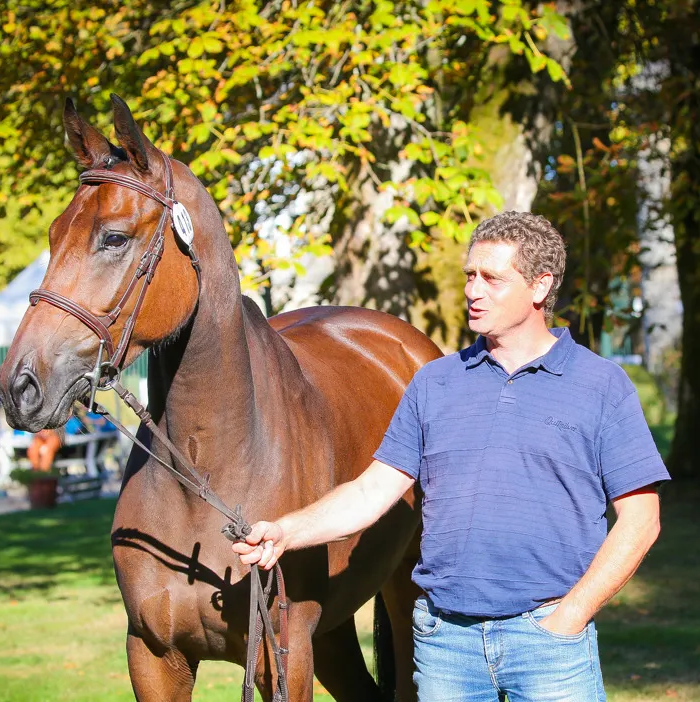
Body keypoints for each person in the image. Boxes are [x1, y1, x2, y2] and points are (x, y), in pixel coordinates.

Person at [233, 211, 671, 701]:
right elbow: (372, 490)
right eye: (469, 276)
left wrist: (569, 617)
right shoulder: (435, 383)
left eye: (492, 278)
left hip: (551, 645)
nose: (473, 291)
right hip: (447, 647)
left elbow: (641, 520)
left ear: (540, 286)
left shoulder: (601, 385)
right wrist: (286, 530)